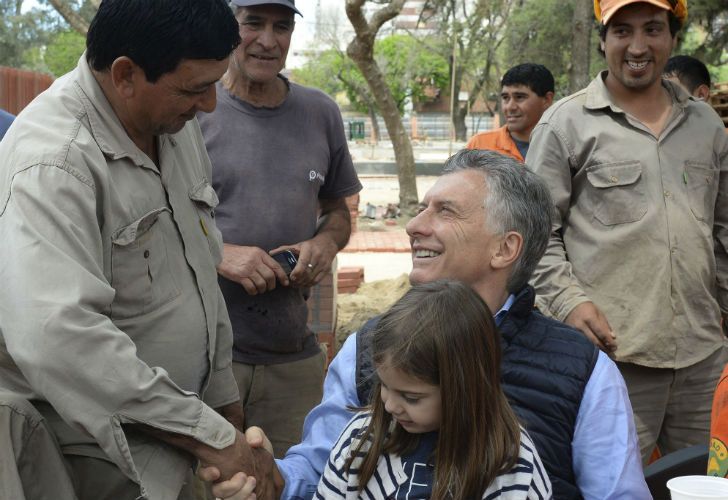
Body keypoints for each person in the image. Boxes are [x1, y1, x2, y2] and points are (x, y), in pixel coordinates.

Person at [202, 150, 649, 500]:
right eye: (421, 208)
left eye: (445, 212)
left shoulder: (583, 371)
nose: (415, 225)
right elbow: (321, 468)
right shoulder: (371, 345)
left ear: (504, 248)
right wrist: (267, 476)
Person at [0, 1, 274, 498]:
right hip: (94, 460)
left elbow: (200, 271)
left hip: (178, 441)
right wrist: (210, 436)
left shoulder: (173, 123)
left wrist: (225, 407)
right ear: (125, 74)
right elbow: (59, 340)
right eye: (194, 89)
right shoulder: (54, 162)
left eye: (214, 83)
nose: (210, 105)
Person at [527, 0, 728, 464]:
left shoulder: (706, 125)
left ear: (673, 38)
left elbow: (724, 233)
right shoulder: (566, 124)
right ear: (603, 40)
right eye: (622, 31)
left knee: (706, 483)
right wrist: (569, 302)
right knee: (613, 486)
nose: (638, 46)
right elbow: (534, 235)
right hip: (613, 359)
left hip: (703, 359)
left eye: (652, 29)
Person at [197, 0, 361, 458]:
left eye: (282, 27)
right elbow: (156, 216)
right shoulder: (194, 107)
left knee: (296, 481)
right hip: (206, 359)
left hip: (293, 356)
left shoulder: (320, 112)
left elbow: (338, 210)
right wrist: (219, 252)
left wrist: (324, 244)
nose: (268, 41)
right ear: (229, 28)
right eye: (254, 24)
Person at [466, 63, 554, 161]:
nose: (510, 107)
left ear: (547, 99)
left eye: (520, 97)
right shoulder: (479, 146)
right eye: (505, 98)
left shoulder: (563, 148)